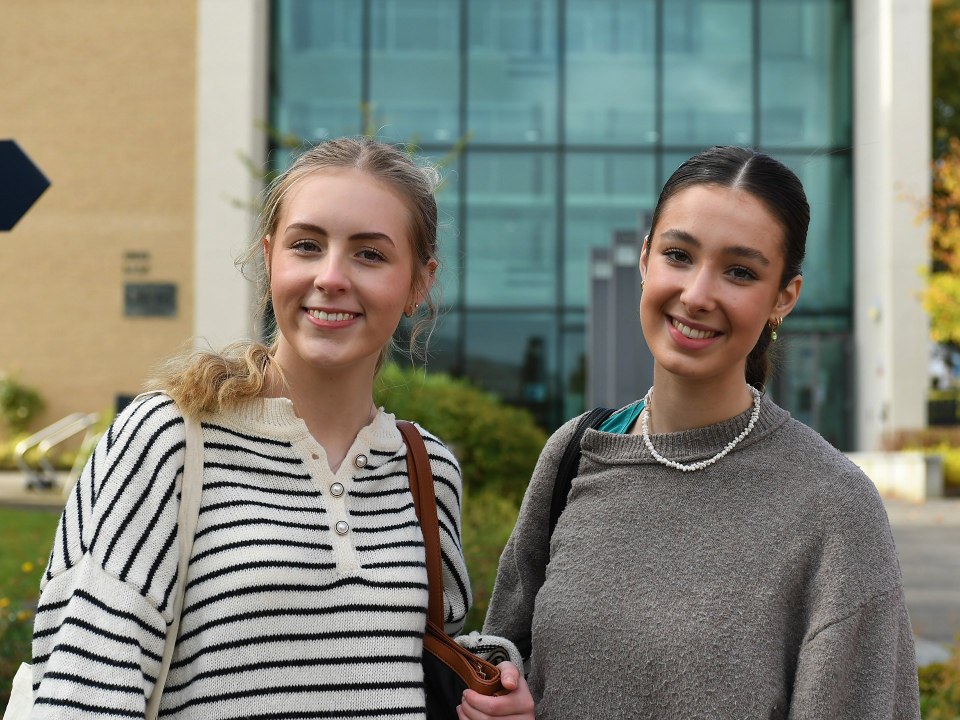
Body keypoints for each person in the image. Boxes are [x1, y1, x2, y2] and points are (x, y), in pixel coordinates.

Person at [30, 137, 532, 719]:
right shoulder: (169, 439)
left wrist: (495, 688)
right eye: (307, 246)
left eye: (370, 254)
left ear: (419, 284)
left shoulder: (428, 468)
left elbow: (420, 663)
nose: (331, 277)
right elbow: (82, 689)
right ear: (270, 259)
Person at [469, 146, 921, 719]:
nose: (698, 294)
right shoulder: (575, 453)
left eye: (740, 272)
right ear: (644, 259)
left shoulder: (834, 507)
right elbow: (504, 658)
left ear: (783, 298)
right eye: (679, 255)